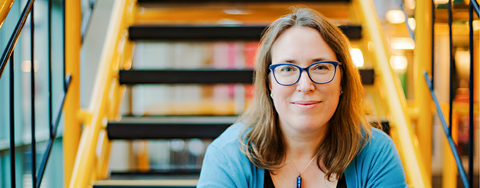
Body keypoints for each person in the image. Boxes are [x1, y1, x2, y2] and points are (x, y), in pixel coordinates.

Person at [197, 7, 407, 188]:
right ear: (269, 83)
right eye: (288, 68)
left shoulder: (376, 154)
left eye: (321, 67)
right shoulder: (228, 158)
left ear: (342, 81)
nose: (305, 85)